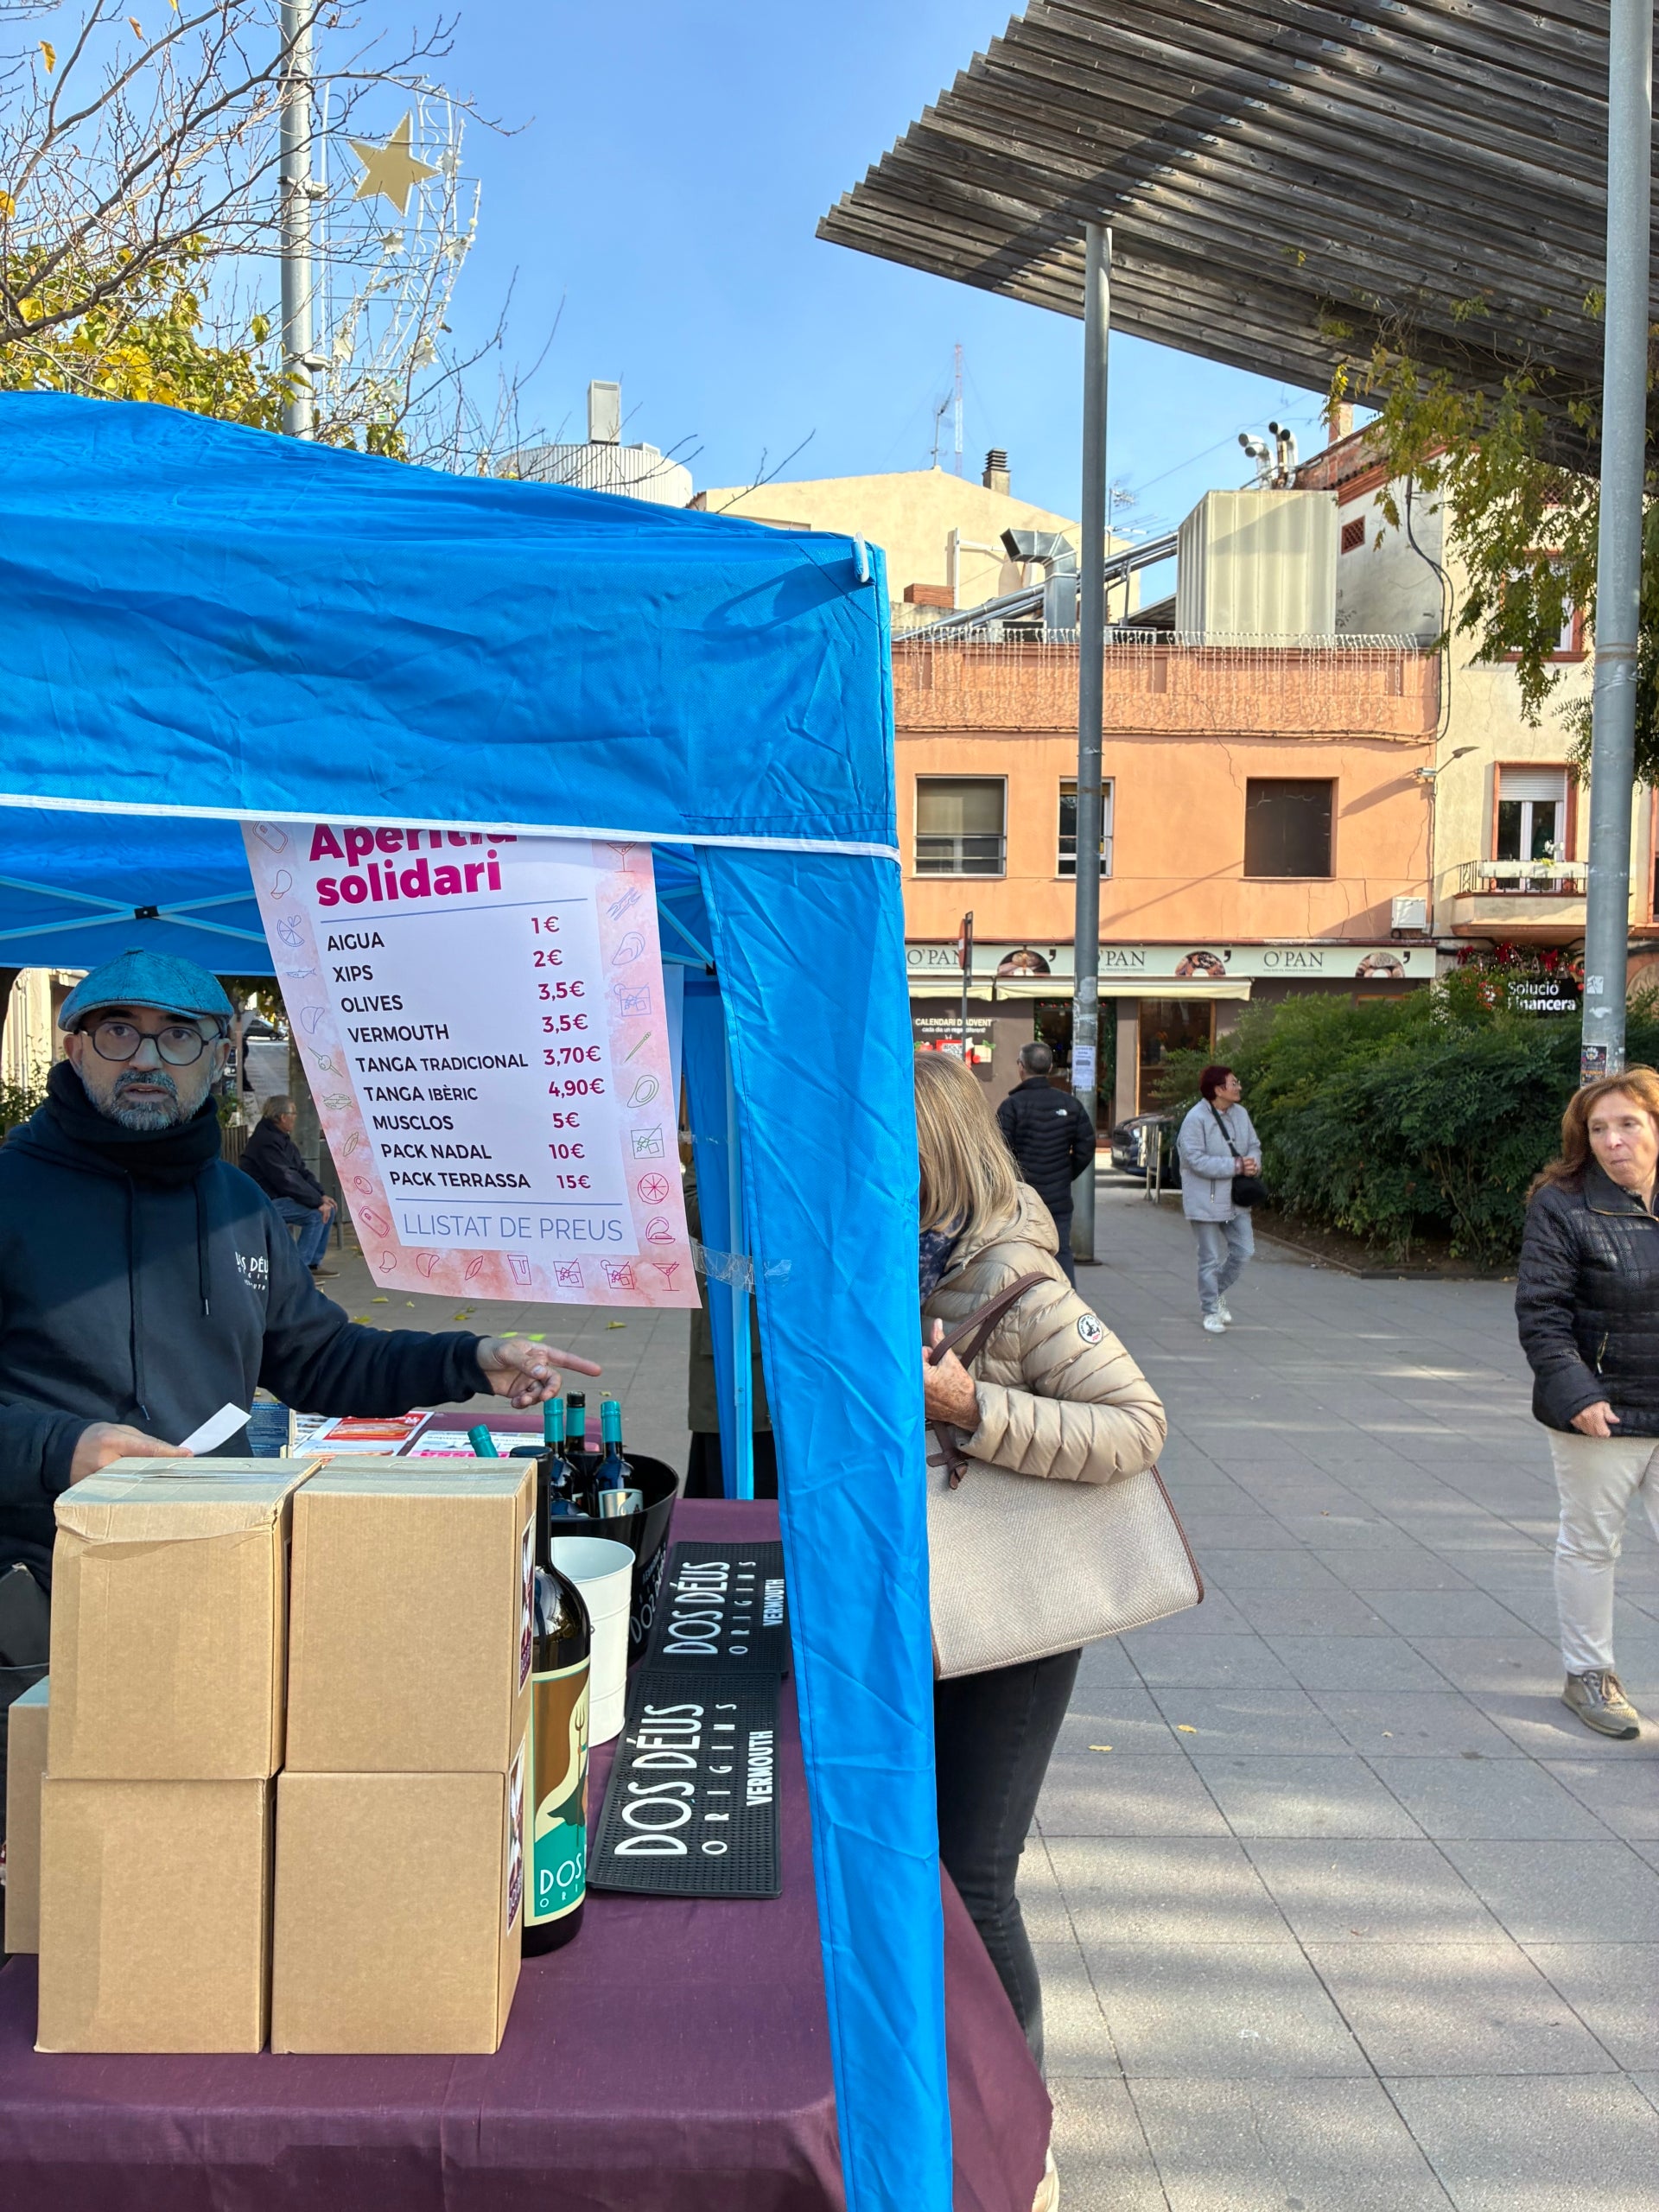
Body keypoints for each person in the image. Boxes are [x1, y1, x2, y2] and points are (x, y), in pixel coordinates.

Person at [0, 947, 602, 1603]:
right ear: (74, 1048)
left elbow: (321, 1358)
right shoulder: (12, 1191)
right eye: (118, 1032)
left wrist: (469, 1359)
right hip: (40, 1576)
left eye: (177, 1035)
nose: (146, 1059)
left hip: (213, 1556)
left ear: (218, 1053)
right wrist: (59, 1448)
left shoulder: (237, 1204)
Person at [915, 1049, 1166, 2140]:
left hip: (1012, 1612)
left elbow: (1137, 1425)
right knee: (926, 1859)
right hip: (933, 1601)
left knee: (973, 1874)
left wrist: (974, 1409)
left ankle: (1020, 2123)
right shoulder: (908, 1255)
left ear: (928, 1156)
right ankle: (950, 2082)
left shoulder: (1017, 1275)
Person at [1515, 1068, 1659, 1739]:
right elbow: (1542, 1313)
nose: (1613, 1140)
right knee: (1592, 1543)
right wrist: (1578, 1393)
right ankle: (1589, 1674)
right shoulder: (1563, 1203)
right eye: (1598, 1128)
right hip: (1602, 1411)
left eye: (1628, 1123)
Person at [995, 1040, 1096, 1286]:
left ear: (1021, 1067)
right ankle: (1068, 1306)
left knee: (1019, 1254)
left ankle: (1026, 1305)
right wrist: (1065, 1174)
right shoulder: (1070, 1105)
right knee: (1060, 1252)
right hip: (1058, 1198)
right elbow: (1087, 1145)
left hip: (1021, 1199)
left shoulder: (1012, 1107)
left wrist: (1012, 1180)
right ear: (1050, 1067)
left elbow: (998, 1151)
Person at [1177, 1063, 1261, 1333]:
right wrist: (1236, 1166)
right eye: (1233, 1083)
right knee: (1209, 1258)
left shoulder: (1241, 1114)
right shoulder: (1195, 1119)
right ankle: (1210, 1311)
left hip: (1236, 1199)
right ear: (1217, 1089)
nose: (1238, 1087)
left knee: (1244, 1250)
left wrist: (1253, 1164)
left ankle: (1215, 1292)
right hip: (1205, 1199)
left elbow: (1254, 1147)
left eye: (1237, 1082)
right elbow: (1195, 1160)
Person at [240, 1093, 339, 1279]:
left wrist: (321, 1196)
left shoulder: (281, 1138)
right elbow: (286, 1179)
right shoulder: (265, 1142)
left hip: (278, 1198)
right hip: (262, 1203)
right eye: (293, 1113)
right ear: (282, 1116)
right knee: (316, 1215)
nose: (295, 1117)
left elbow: (301, 1172)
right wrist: (316, 1202)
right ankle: (296, 1272)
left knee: (329, 1209)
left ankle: (312, 1264)